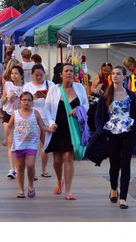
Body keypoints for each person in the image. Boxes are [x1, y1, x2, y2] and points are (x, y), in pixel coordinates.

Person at [91, 65, 135, 209]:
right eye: (113, 74)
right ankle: (113, 188)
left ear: (124, 76)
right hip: (111, 132)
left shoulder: (131, 95)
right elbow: (98, 116)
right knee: (115, 164)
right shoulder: (106, 95)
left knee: (125, 164)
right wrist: (100, 131)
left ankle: (123, 198)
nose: (115, 76)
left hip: (128, 132)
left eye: (118, 74)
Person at [44, 63, 89, 201]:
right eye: (66, 71)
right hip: (58, 128)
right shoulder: (54, 89)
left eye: (71, 71)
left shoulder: (79, 87)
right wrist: (51, 123)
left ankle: (68, 191)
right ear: (61, 74)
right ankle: (59, 180)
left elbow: (86, 104)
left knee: (68, 157)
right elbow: (47, 108)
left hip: (73, 128)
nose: (69, 73)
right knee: (57, 160)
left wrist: (79, 109)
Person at [3, 92, 51, 198]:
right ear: (20, 101)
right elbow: (9, 127)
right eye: (24, 100)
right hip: (19, 144)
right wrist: (5, 138)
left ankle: (31, 186)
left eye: (29, 100)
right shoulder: (15, 114)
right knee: (19, 167)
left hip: (32, 144)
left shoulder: (36, 113)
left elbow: (42, 126)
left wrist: (50, 129)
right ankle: (21, 189)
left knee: (30, 165)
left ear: (32, 102)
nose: (26, 102)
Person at [23, 64, 55, 178]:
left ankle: (44, 169)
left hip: (47, 118)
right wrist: (33, 97)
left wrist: (47, 97)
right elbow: (23, 102)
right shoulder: (27, 86)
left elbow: (56, 100)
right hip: (33, 118)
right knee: (33, 146)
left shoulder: (51, 85)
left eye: (41, 75)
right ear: (32, 75)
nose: (39, 77)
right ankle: (33, 171)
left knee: (45, 145)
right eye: (36, 75)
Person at [1, 65, 24, 179]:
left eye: (16, 73)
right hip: (8, 114)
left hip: (20, 116)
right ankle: (12, 169)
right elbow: (3, 101)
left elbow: (26, 104)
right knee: (10, 142)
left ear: (21, 75)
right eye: (12, 73)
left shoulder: (25, 87)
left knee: (19, 143)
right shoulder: (7, 84)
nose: (14, 75)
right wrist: (8, 97)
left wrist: (20, 100)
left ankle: (19, 167)